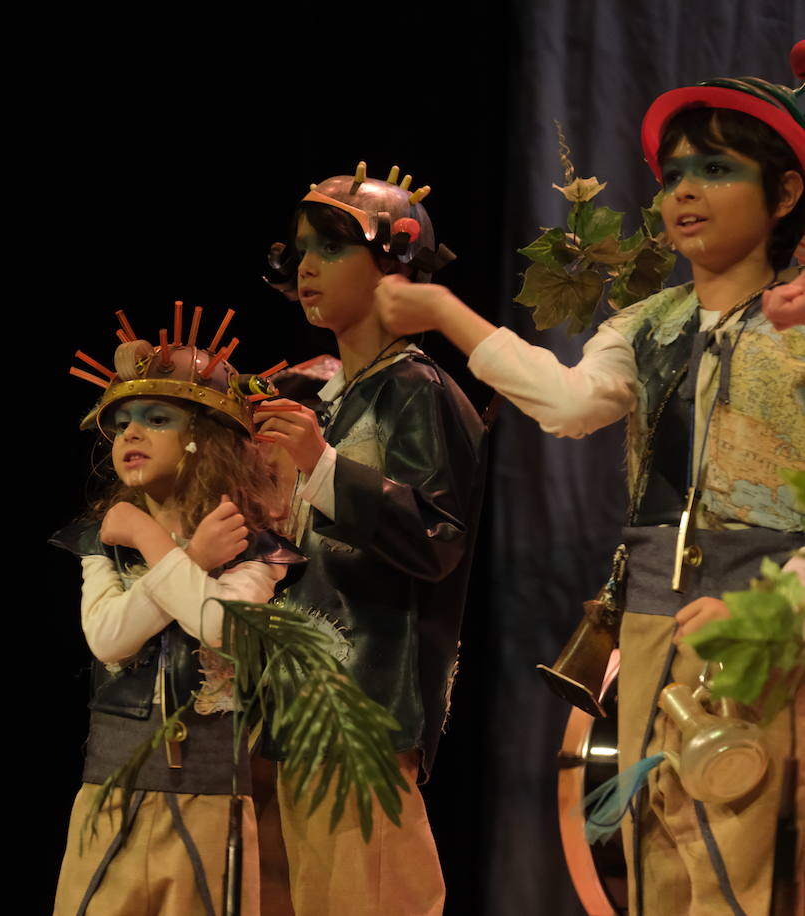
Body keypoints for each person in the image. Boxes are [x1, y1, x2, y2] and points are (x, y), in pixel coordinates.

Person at [374, 62, 805, 916]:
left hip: (768, 624)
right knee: (657, 856)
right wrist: (448, 315)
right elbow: (569, 404)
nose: (685, 191)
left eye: (717, 169)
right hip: (651, 620)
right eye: (674, 173)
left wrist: (778, 606)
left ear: (785, 192)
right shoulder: (648, 325)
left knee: (741, 862)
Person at [254, 164, 485, 915]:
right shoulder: (334, 397)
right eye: (299, 250)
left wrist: (321, 468)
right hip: (305, 708)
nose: (308, 265)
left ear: (396, 260)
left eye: (331, 246)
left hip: (369, 709)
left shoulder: (414, 388)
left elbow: (437, 536)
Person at [51, 313, 303, 915]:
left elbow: (221, 629)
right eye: (120, 423)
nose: (130, 433)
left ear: (205, 437)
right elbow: (108, 637)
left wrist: (163, 546)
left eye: (157, 418)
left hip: (210, 801)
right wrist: (175, 551)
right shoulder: (105, 538)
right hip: (108, 798)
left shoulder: (253, 545)